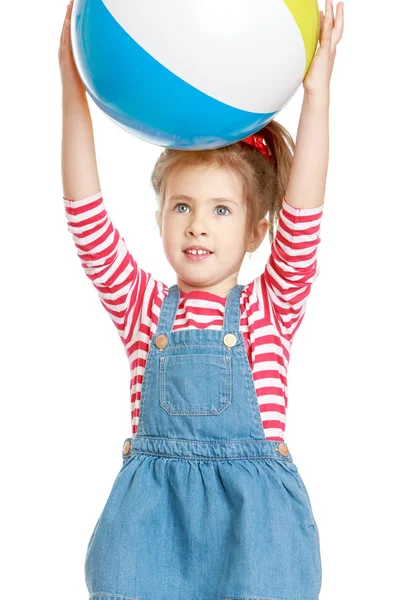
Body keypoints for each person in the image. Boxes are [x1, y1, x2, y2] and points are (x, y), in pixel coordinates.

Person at [59, 1, 344, 598]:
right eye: (182, 207)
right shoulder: (142, 309)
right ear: (160, 217)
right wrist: (73, 94)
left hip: (256, 535)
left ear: (255, 230)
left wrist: (316, 95)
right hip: (149, 532)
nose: (197, 227)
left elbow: (304, 214)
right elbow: (87, 221)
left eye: (221, 210)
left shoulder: (271, 307)